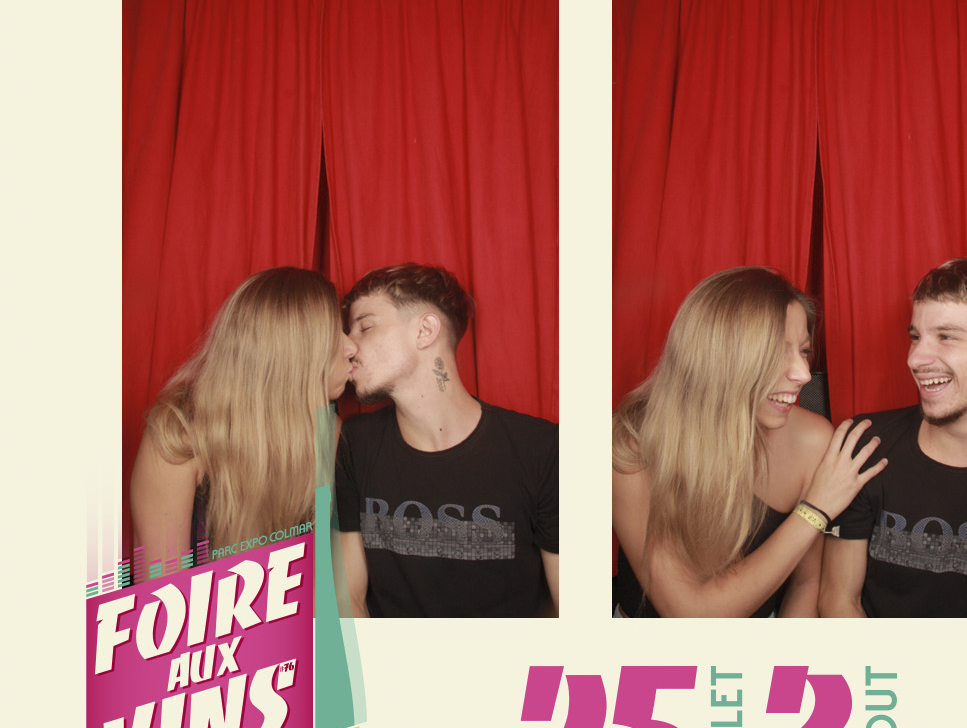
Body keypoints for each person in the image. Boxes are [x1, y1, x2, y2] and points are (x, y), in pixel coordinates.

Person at [611, 267, 886, 617]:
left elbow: (806, 585)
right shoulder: (634, 442)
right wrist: (816, 509)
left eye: (804, 350)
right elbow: (691, 614)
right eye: (776, 352)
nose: (803, 374)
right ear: (719, 355)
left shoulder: (813, 440)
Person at [819, 258, 967, 619]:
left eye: (946, 337)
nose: (915, 359)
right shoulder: (865, 447)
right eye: (916, 337)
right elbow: (838, 602)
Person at [335, 264, 559, 618]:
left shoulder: (542, 450)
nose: (348, 346)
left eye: (365, 327)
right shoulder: (352, 445)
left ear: (425, 331)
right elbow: (347, 599)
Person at [129, 267, 357, 567]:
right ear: (292, 352)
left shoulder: (330, 432)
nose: (352, 347)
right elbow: (162, 588)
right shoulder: (179, 435)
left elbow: (331, 579)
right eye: (334, 333)